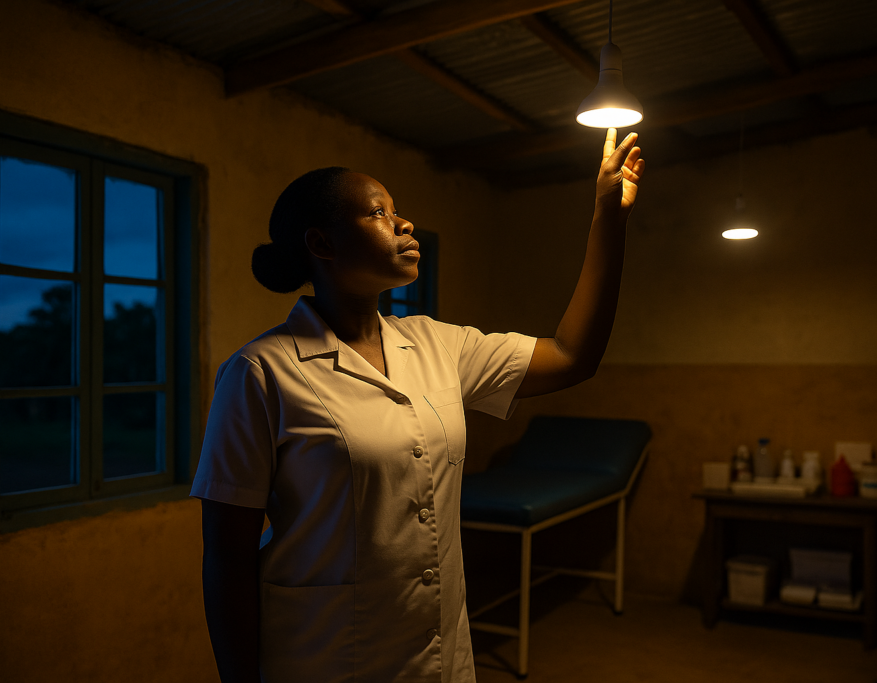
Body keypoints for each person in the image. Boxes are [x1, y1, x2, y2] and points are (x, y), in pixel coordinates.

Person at [193, 128, 644, 683]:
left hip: (439, 656)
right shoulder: (261, 372)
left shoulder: (439, 346)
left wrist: (608, 220)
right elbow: (228, 558)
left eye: (397, 211)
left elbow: (574, 355)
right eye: (380, 213)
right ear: (322, 244)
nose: (404, 223)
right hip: (323, 658)